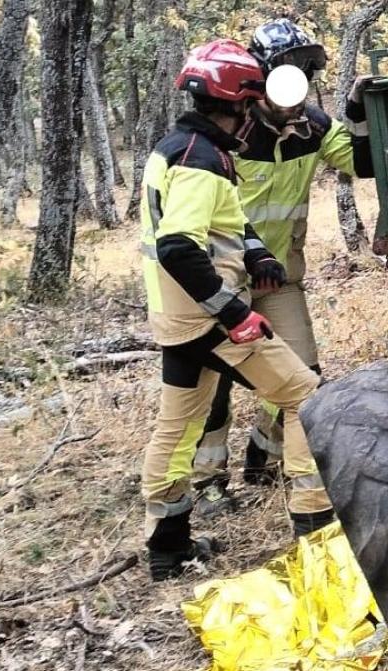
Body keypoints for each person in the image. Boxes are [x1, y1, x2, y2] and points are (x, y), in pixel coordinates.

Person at [138, 39, 333, 580]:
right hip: (206, 317)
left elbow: (221, 223)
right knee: (306, 398)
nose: (252, 120)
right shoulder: (203, 162)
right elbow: (179, 244)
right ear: (237, 106)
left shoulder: (174, 148)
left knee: (177, 427)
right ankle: (314, 528)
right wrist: (233, 313)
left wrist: (257, 254)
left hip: (174, 318)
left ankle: (168, 548)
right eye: (249, 108)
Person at [190, 18, 375, 513]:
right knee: (216, 382)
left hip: (281, 280)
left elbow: (362, 162)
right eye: (285, 69)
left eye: (303, 69)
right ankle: (207, 484)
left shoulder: (313, 128)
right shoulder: (228, 131)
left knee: (304, 377)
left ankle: (266, 458)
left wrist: (359, 110)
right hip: (222, 277)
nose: (295, 80)